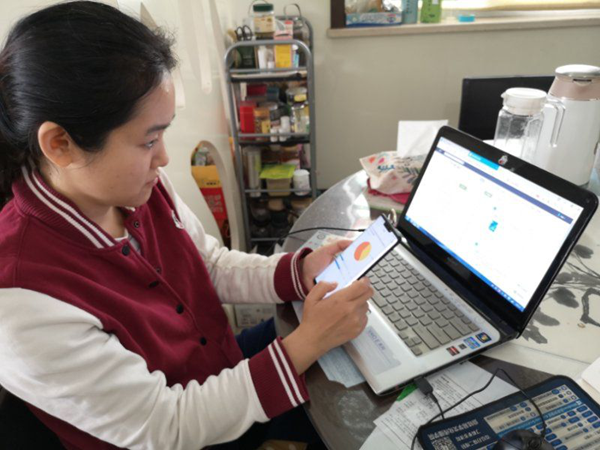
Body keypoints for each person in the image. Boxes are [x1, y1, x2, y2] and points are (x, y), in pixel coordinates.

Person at [0, 2, 373, 449]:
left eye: (162, 134)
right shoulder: (21, 299)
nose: (163, 157)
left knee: (363, 362)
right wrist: (307, 343)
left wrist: (299, 269)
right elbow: (167, 424)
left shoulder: (135, 186)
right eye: (149, 140)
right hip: (187, 428)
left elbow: (206, 265)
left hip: (216, 364)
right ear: (60, 144)